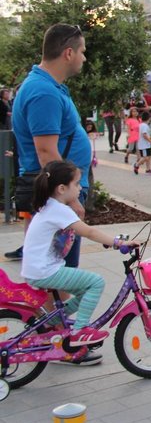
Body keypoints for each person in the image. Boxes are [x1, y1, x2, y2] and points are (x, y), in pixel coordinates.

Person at [21, 161, 137, 348]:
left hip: (37, 269)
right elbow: (89, 232)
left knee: (85, 291)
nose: (80, 187)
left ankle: (52, 320)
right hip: (45, 271)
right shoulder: (59, 210)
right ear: (61, 188)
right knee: (96, 282)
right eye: (76, 183)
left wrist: (108, 242)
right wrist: (119, 242)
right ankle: (80, 332)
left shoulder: (48, 205)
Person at [8, 24, 92, 270]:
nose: (84, 58)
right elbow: (46, 153)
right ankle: (51, 311)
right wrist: (68, 200)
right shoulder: (43, 92)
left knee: (55, 272)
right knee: (57, 276)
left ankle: (50, 310)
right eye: (82, 51)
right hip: (58, 195)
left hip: (60, 192)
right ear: (68, 53)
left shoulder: (48, 87)